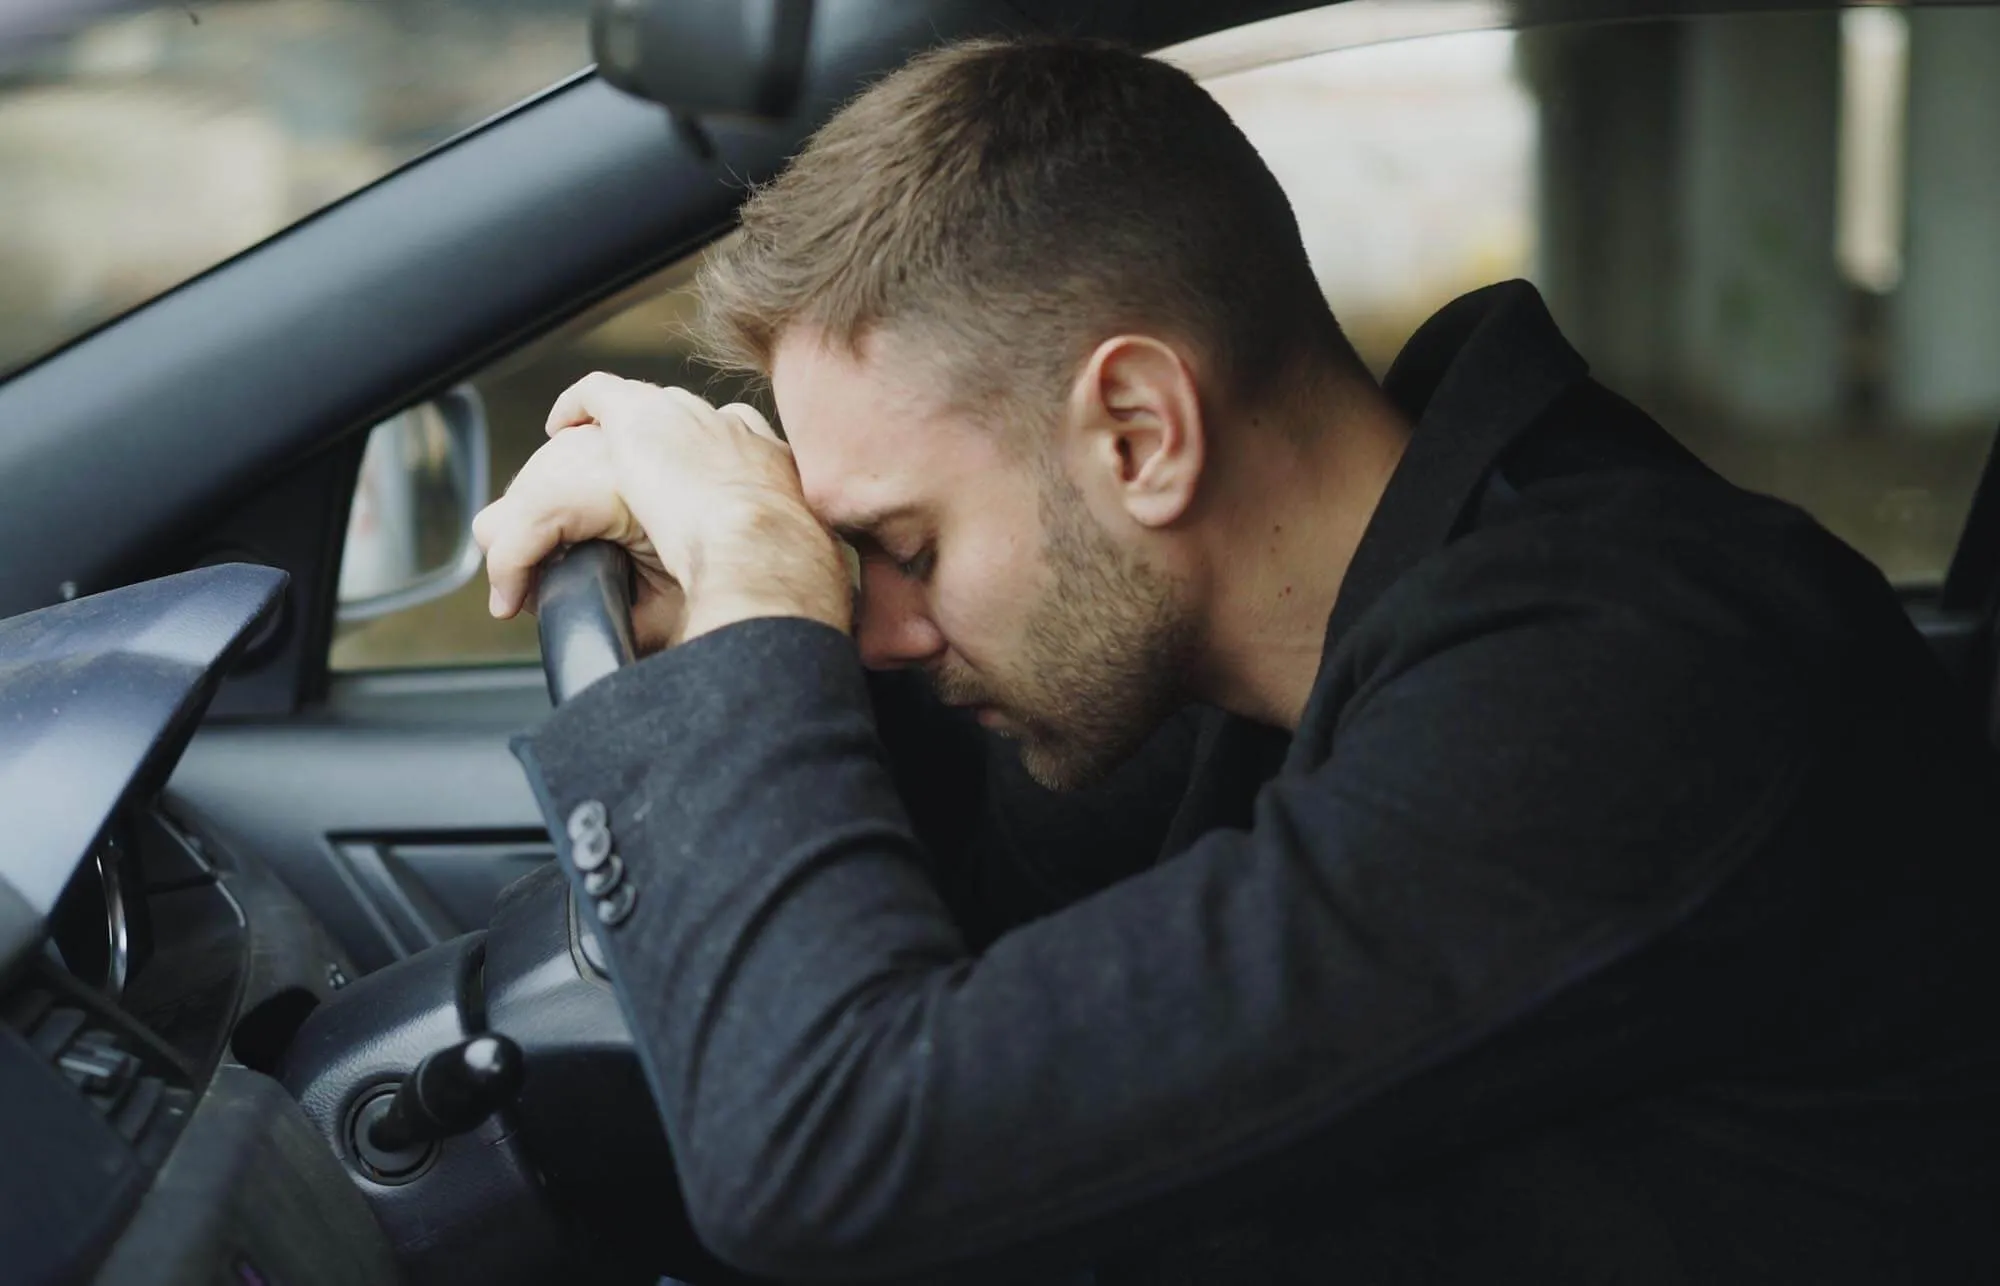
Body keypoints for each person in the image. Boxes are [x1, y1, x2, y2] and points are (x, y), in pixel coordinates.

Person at [471, 35, 2000, 1286]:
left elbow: (836, 1153)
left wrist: (755, 591)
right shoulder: (1282, 640)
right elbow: (974, 915)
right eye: (856, 565)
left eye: (911, 545)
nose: (880, 621)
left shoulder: (1623, 684)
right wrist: (734, 612)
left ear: (1139, 434)